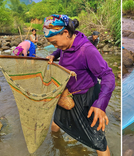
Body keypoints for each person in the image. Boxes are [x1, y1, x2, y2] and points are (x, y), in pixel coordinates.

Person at [43, 14, 115, 156]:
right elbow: (61, 49)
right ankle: (57, 147)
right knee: (56, 124)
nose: (55, 46)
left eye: (55, 42)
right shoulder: (66, 43)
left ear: (65, 33)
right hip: (67, 94)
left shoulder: (87, 50)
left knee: (98, 142)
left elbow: (108, 76)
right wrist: (53, 54)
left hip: (85, 98)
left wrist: (100, 104)